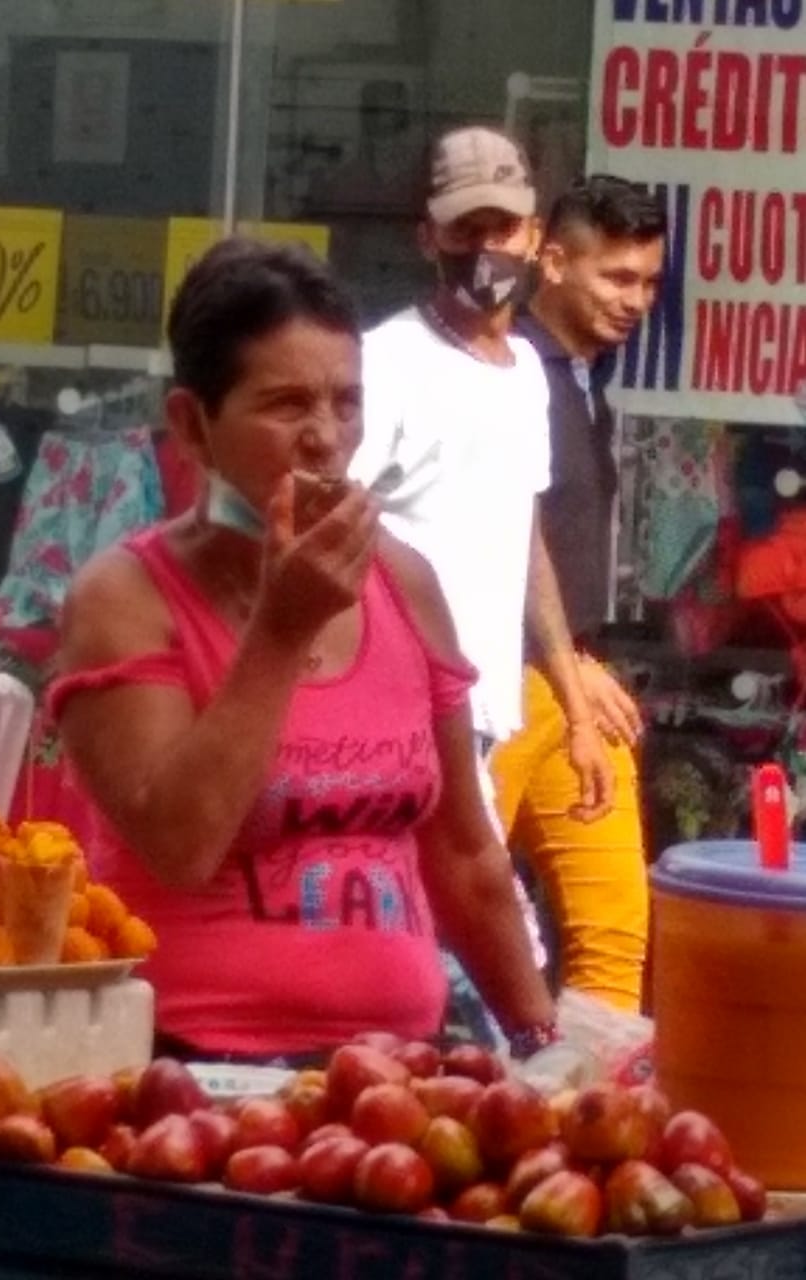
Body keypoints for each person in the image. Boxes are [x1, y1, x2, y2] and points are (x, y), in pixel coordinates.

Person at [51, 236, 556, 1065]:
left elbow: (466, 857)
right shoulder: (125, 597)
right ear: (193, 426)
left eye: (346, 403)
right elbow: (180, 843)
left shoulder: (403, 580)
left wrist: (542, 1045)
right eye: (286, 405)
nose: (326, 438)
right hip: (186, 1074)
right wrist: (282, 630)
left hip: (394, 1078)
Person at [351, 124, 614, 842]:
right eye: (463, 230)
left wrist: (577, 716)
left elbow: (523, 542)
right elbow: (330, 530)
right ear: (427, 239)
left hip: (488, 713)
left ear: (533, 236)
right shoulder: (388, 362)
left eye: (500, 226)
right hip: (399, 716)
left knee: (454, 935)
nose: (483, 248)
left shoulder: (525, 371)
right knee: (480, 932)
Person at [491, 176, 667, 1012]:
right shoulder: (510, 370)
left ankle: (590, 1127)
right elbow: (502, 533)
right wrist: (566, 666)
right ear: (552, 262)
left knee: (614, 936)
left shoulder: (580, 379)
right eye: (617, 278)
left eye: (649, 282)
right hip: (498, 687)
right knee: (454, 927)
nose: (636, 300)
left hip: (565, 687)